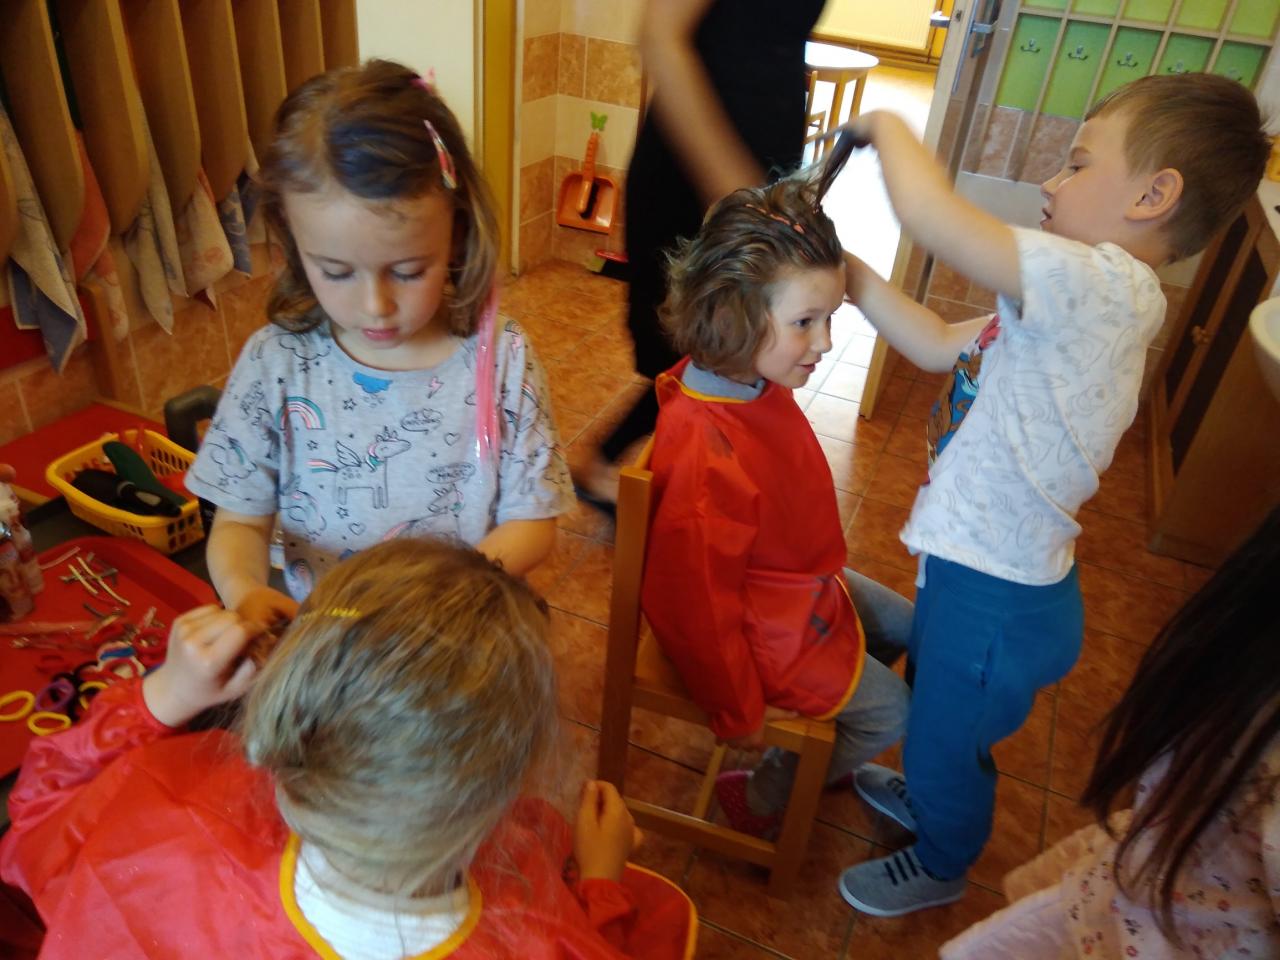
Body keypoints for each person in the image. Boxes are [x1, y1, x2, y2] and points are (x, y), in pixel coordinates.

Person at [833, 73, 1270, 916]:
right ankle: (933, 789)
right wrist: (851, 275)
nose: (1050, 181)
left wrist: (887, 123)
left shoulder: (1102, 286)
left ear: (1152, 196)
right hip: (986, 575)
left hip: (994, 599)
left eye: (1076, 163)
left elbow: (935, 220)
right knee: (941, 722)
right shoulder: (1076, 310)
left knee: (945, 745)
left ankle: (943, 860)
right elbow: (936, 342)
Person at [0, 538, 697, 959]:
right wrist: (601, 884)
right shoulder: (546, 938)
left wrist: (164, 696)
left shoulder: (165, 825)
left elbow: (36, 821)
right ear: (501, 792)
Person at [186, 60, 573, 626]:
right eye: (336, 272)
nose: (376, 305)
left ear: (456, 231)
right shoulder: (274, 365)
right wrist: (243, 591)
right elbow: (240, 523)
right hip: (326, 644)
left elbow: (533, 522)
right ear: (292, 238)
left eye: (409, 270)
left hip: (455, 635)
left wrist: (432, 595)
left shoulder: (503, 358)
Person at [640, 157, 912, 838]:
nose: (825, 343)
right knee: (893, 713)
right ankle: (765, 796)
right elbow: (698, 609)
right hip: (762, 620)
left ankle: (827, 747)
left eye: (830, 318)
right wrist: (740, 714)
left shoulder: (745, 376)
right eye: (806, 322)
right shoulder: (708, 457)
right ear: (732, 316)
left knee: (913, 626)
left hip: (790, 579)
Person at [940, 505, 1280, 958]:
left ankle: (937, 862)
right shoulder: (1241, 678)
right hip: (1121, 892)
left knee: (946, 747)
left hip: (1133, 905)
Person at [570, 0, 828, 513]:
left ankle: (624, 469)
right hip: (694, 181)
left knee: (733, 356)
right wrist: (745, 205)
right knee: (700, 354)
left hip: (759, 179)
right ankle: (604, 465)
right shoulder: (734, 199)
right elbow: (660, 37)